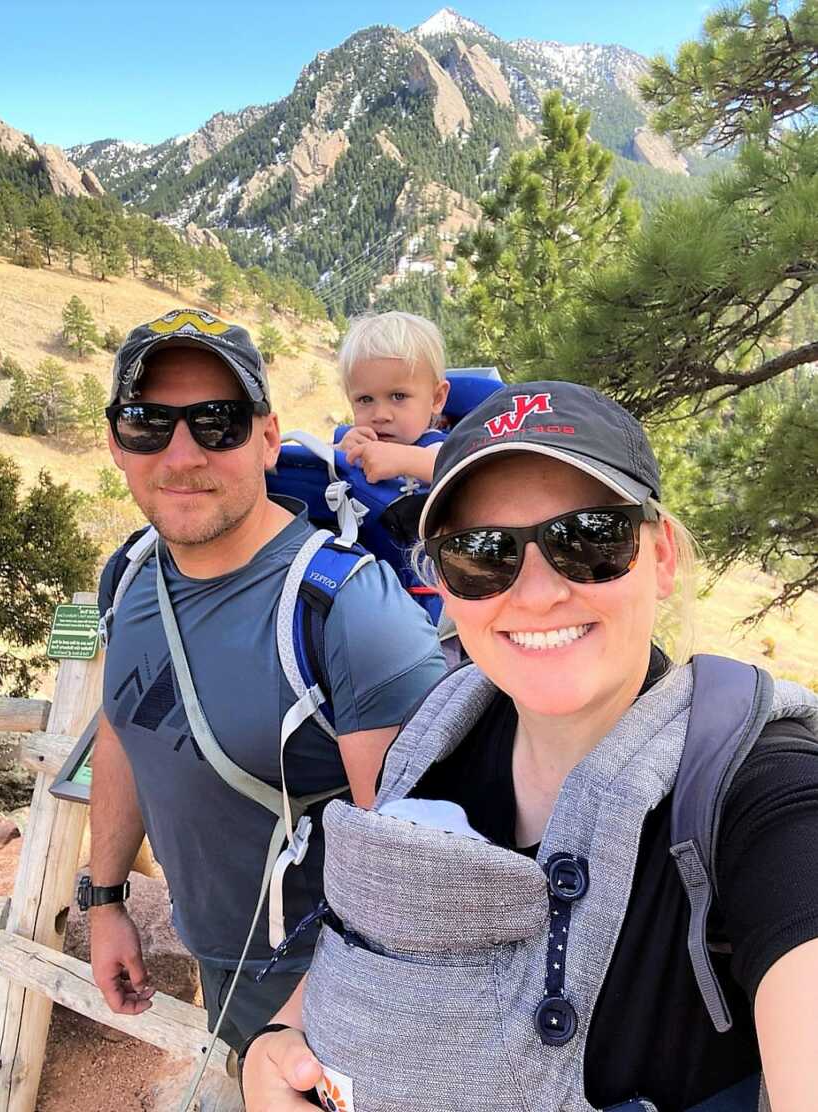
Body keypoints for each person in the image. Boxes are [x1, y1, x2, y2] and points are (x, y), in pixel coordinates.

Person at [240, 381, 818, 1111]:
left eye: (590, 539)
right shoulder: (432, 747)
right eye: (482, 555)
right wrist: (271, 1048)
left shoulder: (762, 792)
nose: (538, 594)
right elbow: (365, 941)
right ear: (446, 588)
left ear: (662, 555)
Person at [87, 308, 446, 1053]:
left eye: (217, 422)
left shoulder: (352, 613)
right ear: (117, 443)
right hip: (218, 962)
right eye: (148, 423)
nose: (181, 455)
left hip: (338, 999)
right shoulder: (126, 577)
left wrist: (291, 1025)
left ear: (269, 439)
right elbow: (126, 727)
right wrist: (106, 898)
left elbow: (413, 879)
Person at [335, 311, 450, 485]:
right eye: (365, 399)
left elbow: (461, 472)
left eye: (398, 396)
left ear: (436, 399)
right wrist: (340, 453)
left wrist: (407, 460)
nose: (380, 415)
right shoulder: (356, 441)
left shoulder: (438, 450)